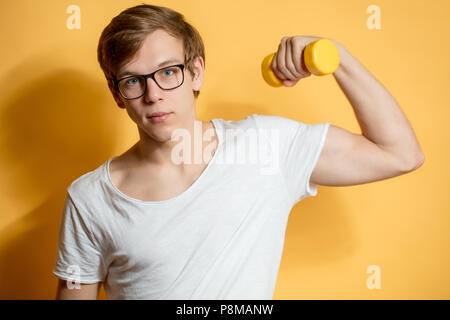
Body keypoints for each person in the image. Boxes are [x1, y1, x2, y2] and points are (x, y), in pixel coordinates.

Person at [53, 4, 424, 300]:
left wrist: (335, 56)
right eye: (133, 80)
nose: (153, 95)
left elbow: (399, 154)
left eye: (168, 72)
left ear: (196, 71)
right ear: (118, 93)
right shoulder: (89, 198)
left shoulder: (265, 147)